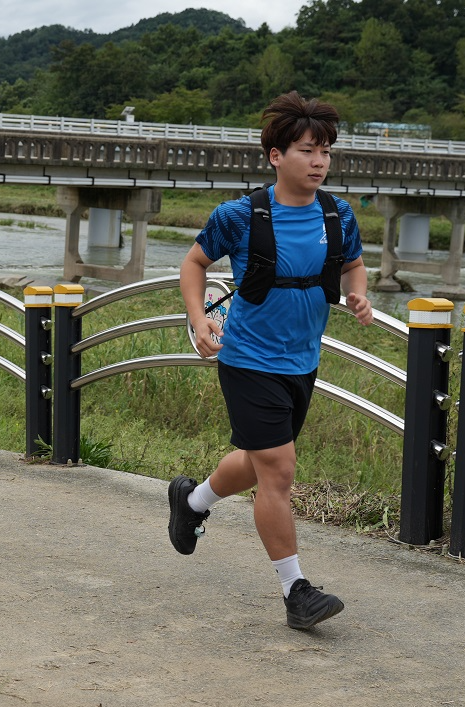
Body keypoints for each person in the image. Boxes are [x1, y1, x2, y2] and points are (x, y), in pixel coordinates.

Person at [169, 91, 374, 630]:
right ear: (275, 156)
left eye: (326, 152)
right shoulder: (240, 215)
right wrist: (198, 319)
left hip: (302, 360)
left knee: (258, 460)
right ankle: (296, 591)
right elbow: (193, 264)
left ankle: (191, 503)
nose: (319, 162)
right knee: (279, 470)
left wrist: (358, 295)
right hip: (248, 358)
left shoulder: (338, 214)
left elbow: (353, 266)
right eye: (308, 150)